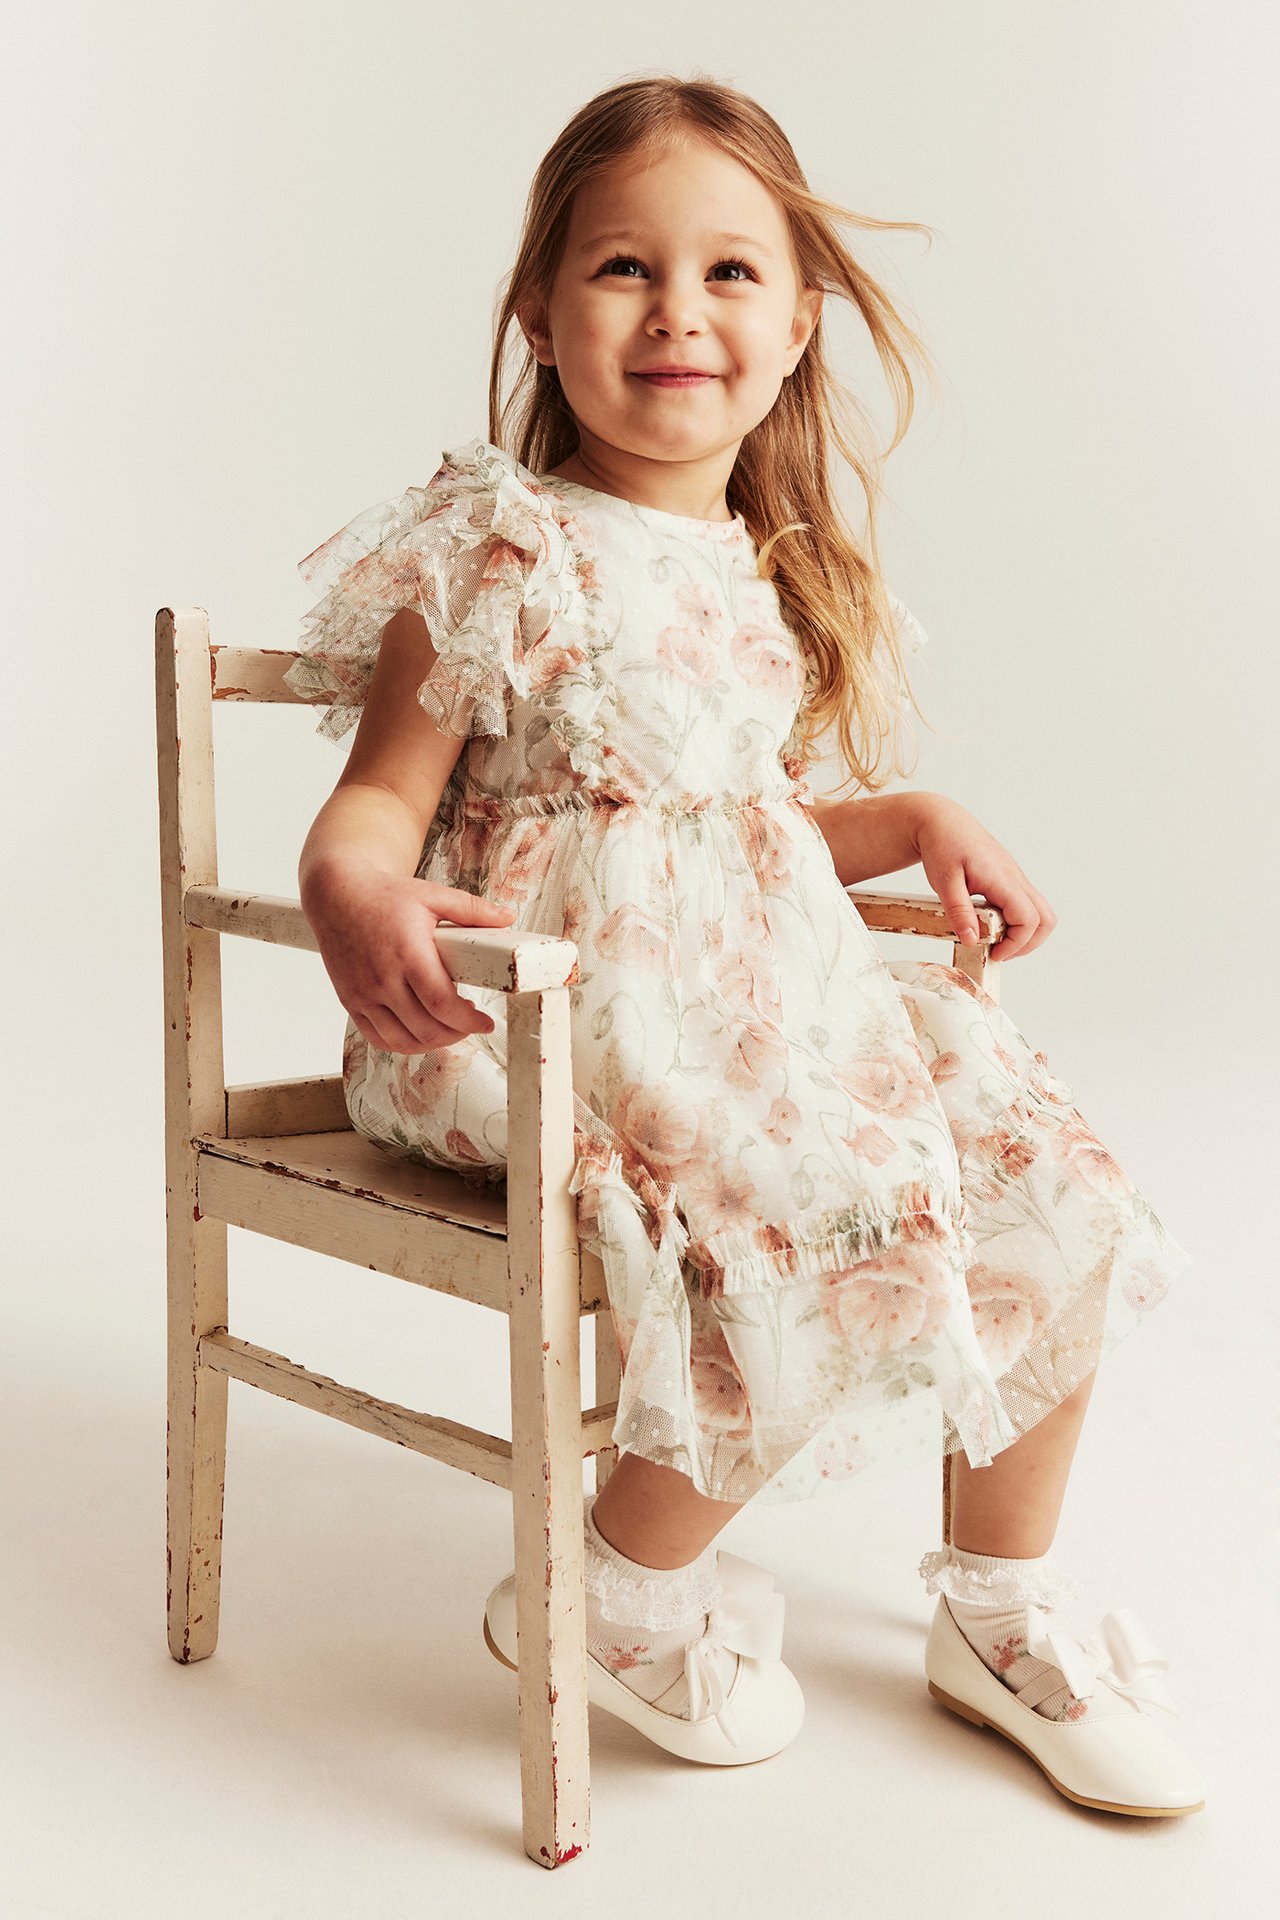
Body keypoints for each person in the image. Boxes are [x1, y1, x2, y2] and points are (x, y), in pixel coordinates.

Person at [285, 73, 1203, 1814]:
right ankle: (614, 1584)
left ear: (794, 332)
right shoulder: (505, 545)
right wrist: (359, 892)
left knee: (1039, 1170)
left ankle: (997, 1610)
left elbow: (735, 821)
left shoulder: (754, 572)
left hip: (768, 1013)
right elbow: (378, 805)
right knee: (820, 1191)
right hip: (547, 1028)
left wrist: (907, 817)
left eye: (727, 274)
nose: (677, 310)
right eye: (623, 267)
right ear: (540, 319)